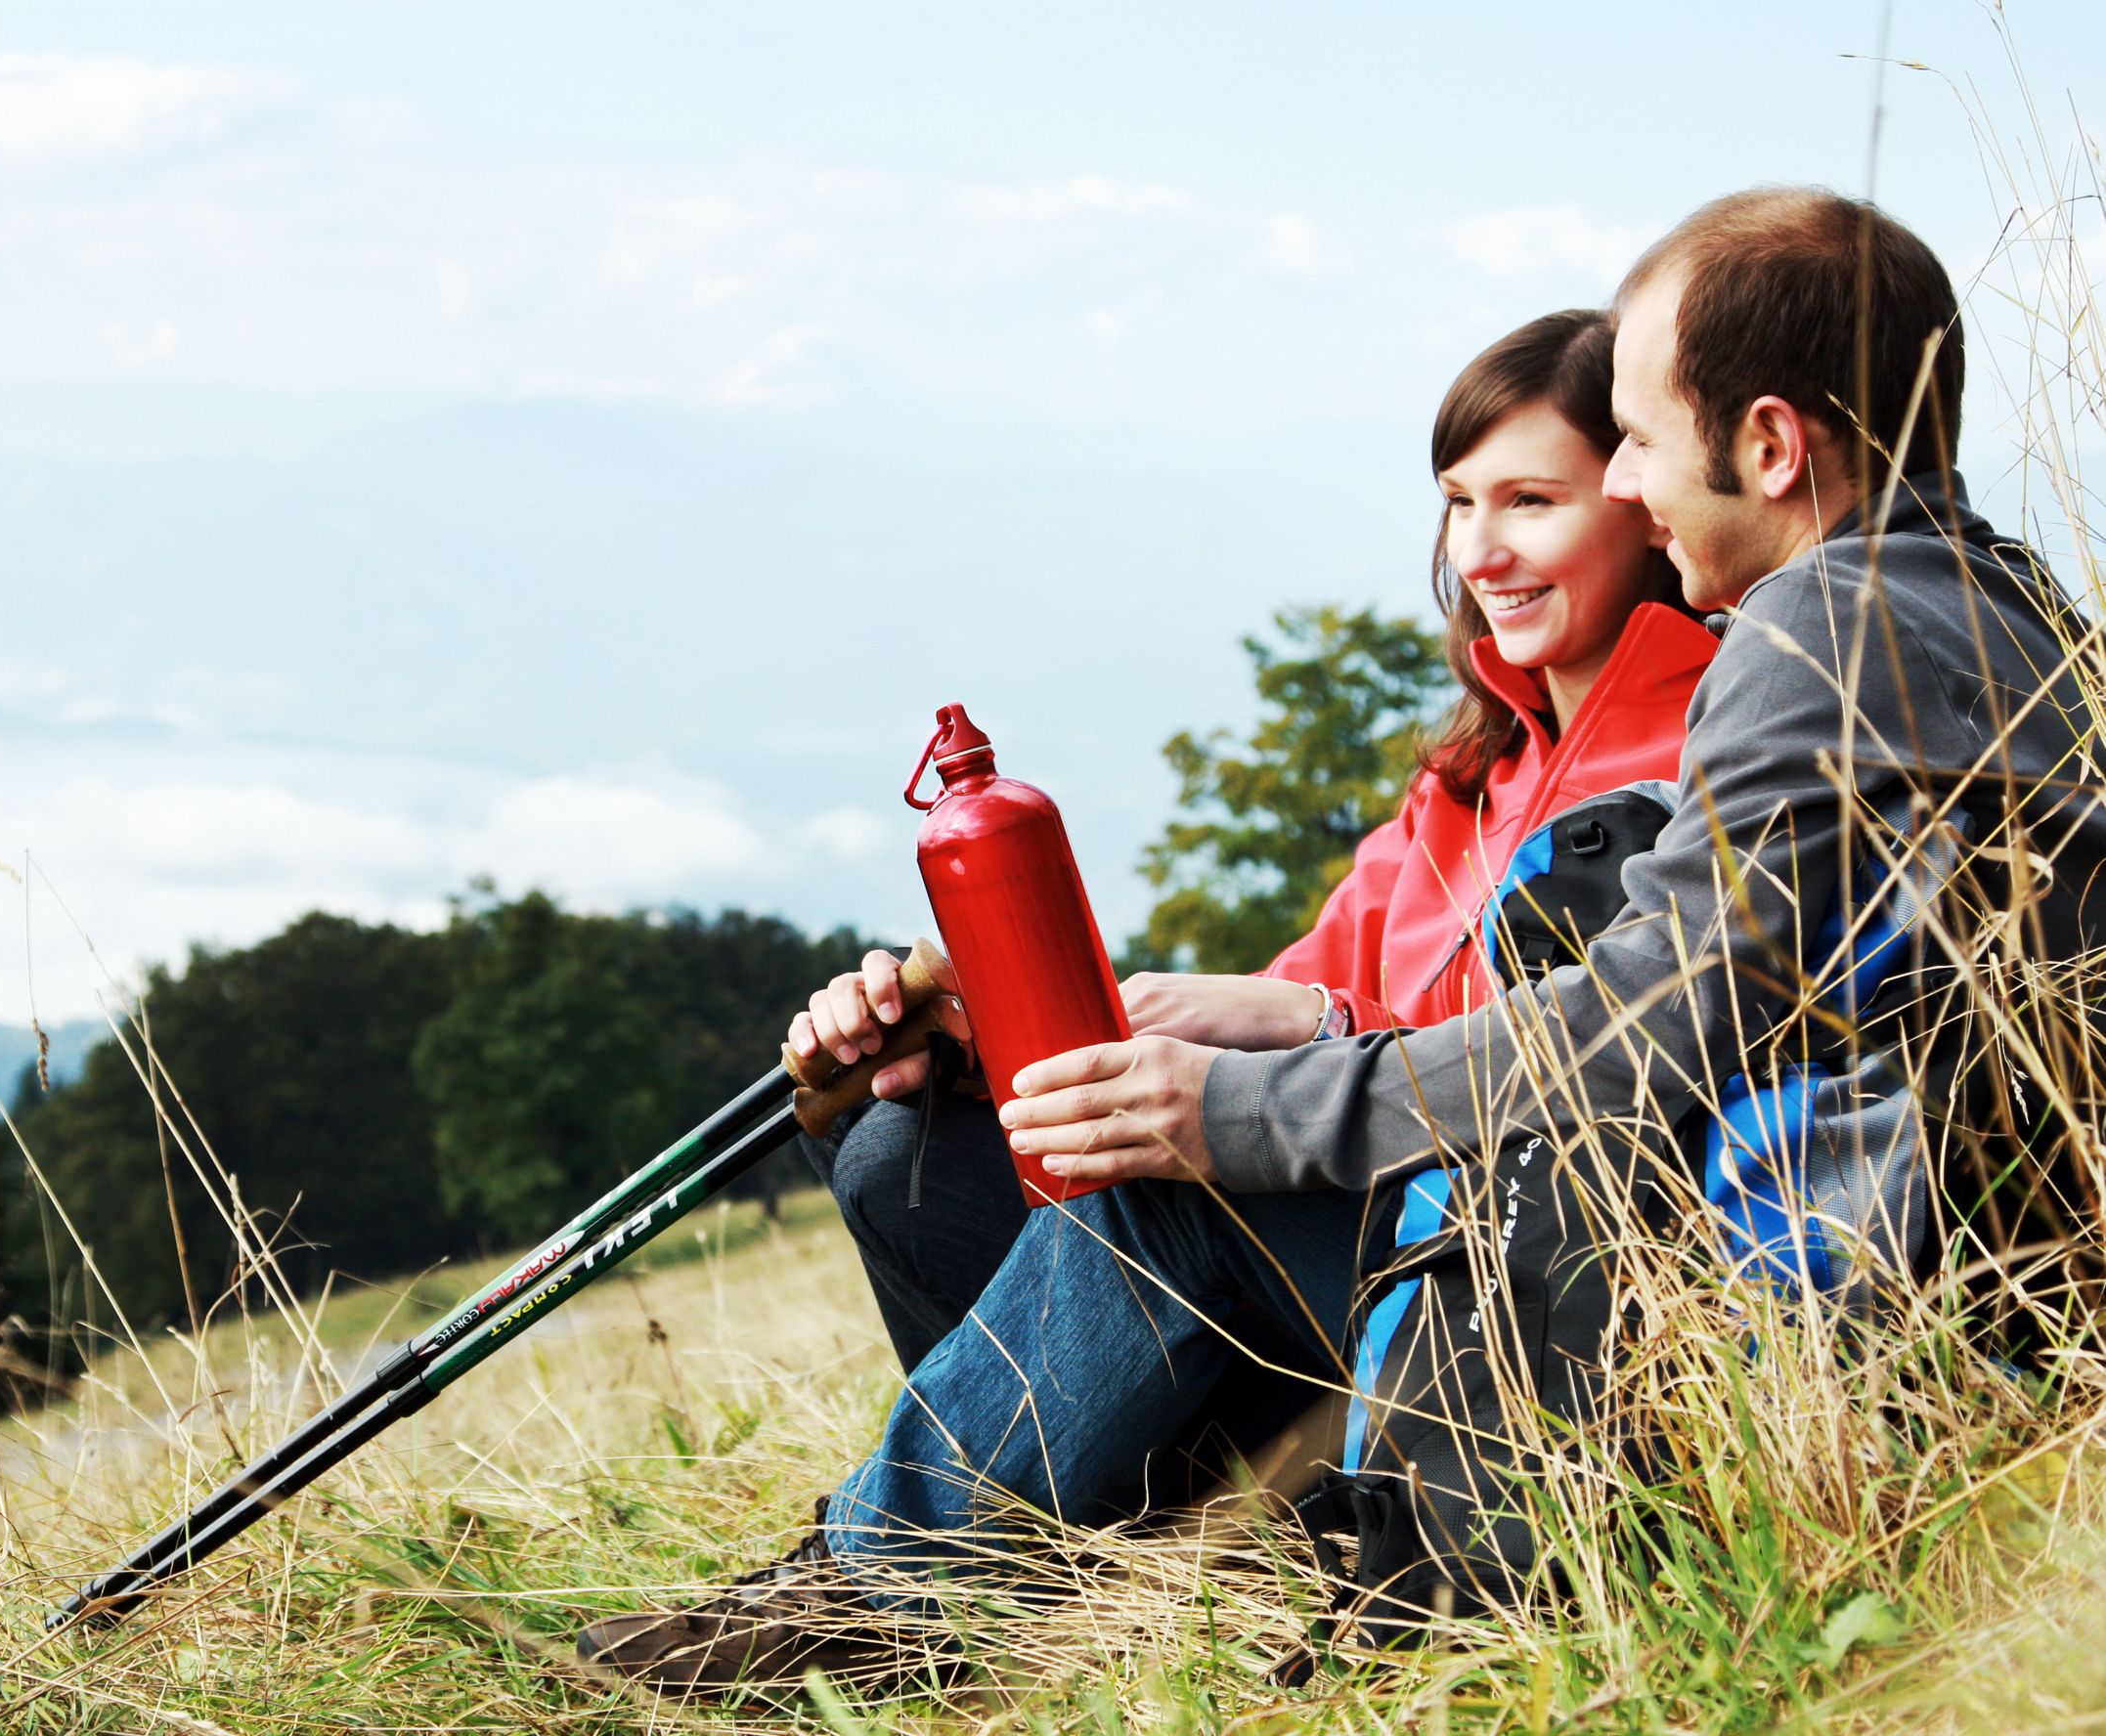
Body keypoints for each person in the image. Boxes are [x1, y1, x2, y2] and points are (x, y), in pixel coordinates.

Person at [577, 186, 2106, 1693]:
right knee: (934, 1165)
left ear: (1770, 445)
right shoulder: (1997, 609)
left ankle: (866, 1607)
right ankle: (1006, 1564)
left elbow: (1637, 1027)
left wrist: (1231, 1113)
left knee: (1179, 1207)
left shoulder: (1811, 635)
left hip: (1755, 1327)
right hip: (1865, 1296)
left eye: (1630, 442)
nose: (1633, 485)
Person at [574, 303, 1721, 1684]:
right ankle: (1060, 1566)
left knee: (1168, 1170)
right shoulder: (1467, 780)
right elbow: (1291, 1000)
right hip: (1328, 1270)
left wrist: (1298, 1045)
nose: (1480, 551)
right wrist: (981, 1046)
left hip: (1500, 1284)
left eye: (1530, 502)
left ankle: (866, 1603)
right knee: (911, 1158)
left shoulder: (1698, 750)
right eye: (1459, 503)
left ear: (1644, 500)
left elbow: (1582, 1068)